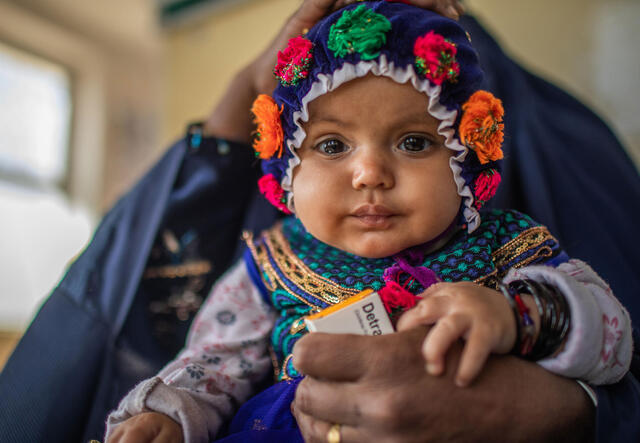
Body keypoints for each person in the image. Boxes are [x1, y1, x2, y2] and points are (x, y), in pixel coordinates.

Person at [104, 1, 632, 442]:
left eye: (414, 142)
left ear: (466, 160)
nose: (370, 174)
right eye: (332, 145)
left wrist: (517, 318)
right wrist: (168, 414)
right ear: (287, 170)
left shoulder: (505, 245)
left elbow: (613, 340)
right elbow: (214, 363)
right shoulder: (273, 261)